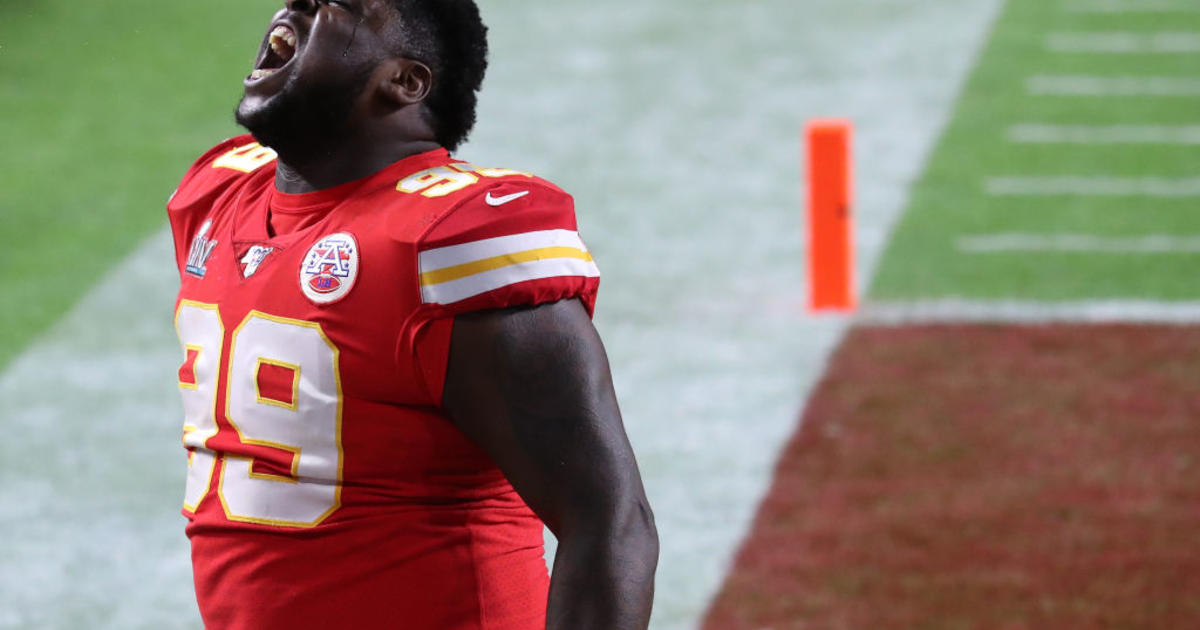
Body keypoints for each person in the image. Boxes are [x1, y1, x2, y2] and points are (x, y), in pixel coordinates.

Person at [166, 0, 658, 628]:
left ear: (403, 82)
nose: (299, 4)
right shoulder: (219, 194)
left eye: (341, 5)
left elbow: (610, 524)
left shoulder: (450, 240)